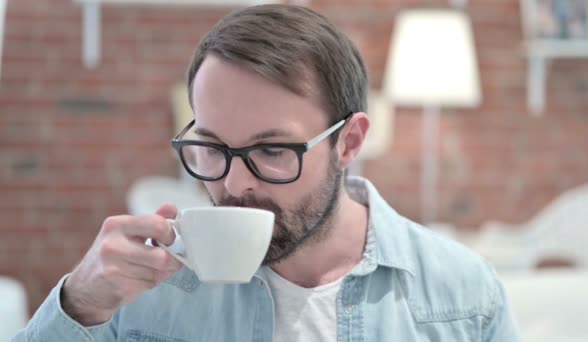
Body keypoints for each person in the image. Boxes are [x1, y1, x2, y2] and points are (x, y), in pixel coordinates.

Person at [13, 4, 520, 342]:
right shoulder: (144, 289)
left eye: (273, 151)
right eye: (211, 149)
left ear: (349, 142)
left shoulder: (461, 296)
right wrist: (76, 304)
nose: (234, 186)